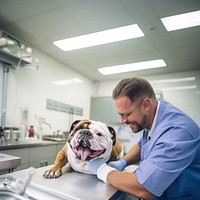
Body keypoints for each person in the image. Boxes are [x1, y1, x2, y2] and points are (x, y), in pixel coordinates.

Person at [88, 77, 200, 200]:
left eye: (126, 114)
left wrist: (102, 170)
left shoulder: (176, 133)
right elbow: (142, 145)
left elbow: (145, 188)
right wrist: (122, 162)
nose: (122, 120)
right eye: (120, 115)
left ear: (146, 105)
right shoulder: (155, 115)